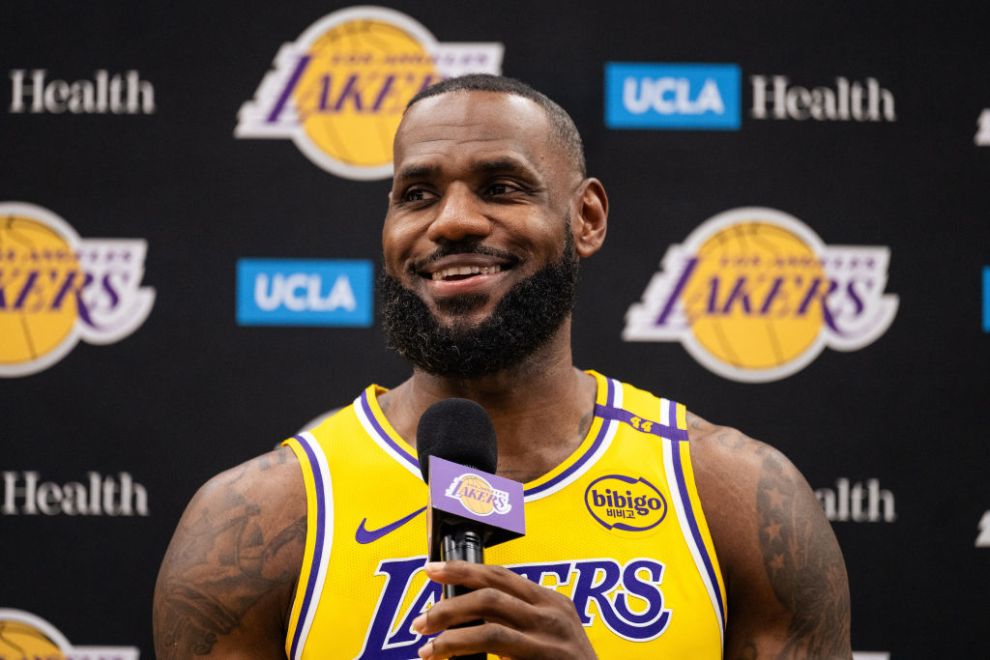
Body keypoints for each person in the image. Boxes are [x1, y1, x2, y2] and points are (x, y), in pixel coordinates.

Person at [153, 74, 851, 659]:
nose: (452, 220)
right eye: (417, 194)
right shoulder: (259, 522)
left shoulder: (733, 496)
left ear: (588, 217)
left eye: (501, 187)